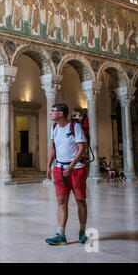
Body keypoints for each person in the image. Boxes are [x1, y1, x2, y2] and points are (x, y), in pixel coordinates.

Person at [45, 103, 88, 245]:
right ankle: (60, 234)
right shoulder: (54, 128)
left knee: (80, 200)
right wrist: (49, 166)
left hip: (76, 169)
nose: (51, 113)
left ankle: (82, 231)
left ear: (61, 114)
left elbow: (82, 148)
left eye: (53, 111)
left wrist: (71, 166)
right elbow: (53, 149)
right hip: (60, 169)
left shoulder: (74, 127)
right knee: (61, 202)